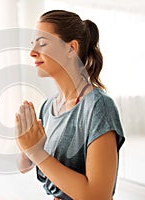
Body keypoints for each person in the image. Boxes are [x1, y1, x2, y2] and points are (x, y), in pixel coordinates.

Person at [15, 10, 125, 200]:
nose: (32, 53)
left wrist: (35, 151)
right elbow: (24, 167)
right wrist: (26, 144)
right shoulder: (49, 106)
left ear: (71, 48)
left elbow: (97, 196)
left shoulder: (99, 107)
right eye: (33, 45)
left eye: (42, 43)